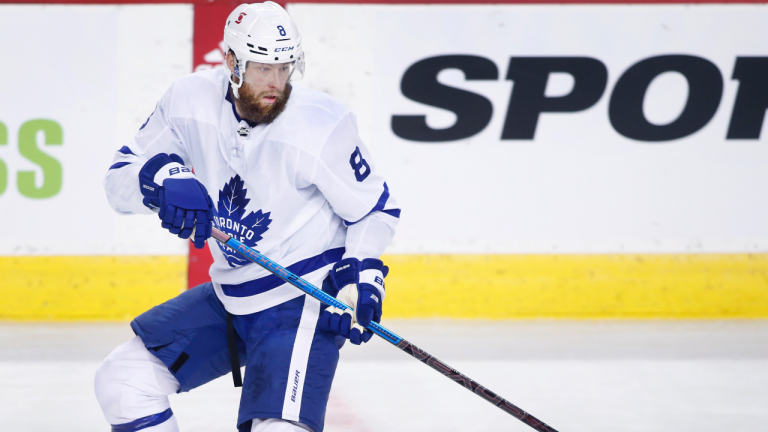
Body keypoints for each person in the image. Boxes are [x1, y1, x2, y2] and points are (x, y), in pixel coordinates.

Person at [94, 3, 400, 431]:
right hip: (231, 297)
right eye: (262, 68)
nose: (276, 83)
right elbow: (118, 181)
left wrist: (363, 271)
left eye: (284, 67)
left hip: (302, 301)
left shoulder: (320, 124)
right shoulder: (187, 100)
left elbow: (375, 208)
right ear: (232, 62)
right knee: (122, 382)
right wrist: (161, 179)